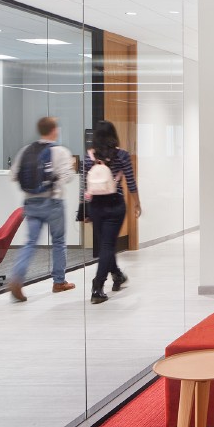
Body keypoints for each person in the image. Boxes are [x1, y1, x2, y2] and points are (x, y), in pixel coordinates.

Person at [8, 116, 76, 302]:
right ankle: (59, 282)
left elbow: (13, 176)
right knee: (59, 242)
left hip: (31, 203)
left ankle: (17, 278)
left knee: (30, 242)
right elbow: (67, 177)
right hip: (53, 202)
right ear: (54, 130)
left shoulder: (25, 150)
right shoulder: (60, 152)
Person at [82, 120, 141, 305]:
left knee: (106, 244)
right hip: (115, 205)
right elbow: (130, 182)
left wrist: (84, 209)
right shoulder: (121, 155)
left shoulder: (88, 157)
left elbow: (84, 186)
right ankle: (97, 287)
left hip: (96, 206)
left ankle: (116, 275)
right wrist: (137, 203)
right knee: (108, 245)